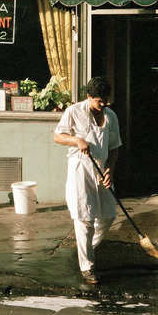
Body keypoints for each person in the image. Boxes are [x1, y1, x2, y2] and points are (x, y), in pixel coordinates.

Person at [53, 76, 122, 285]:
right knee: (84, 219)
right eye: (99, 101)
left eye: (106, 101)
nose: (103, 105)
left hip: (101, 170)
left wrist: (110, 170)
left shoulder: (110, 116)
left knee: (109, 214)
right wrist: (76, 139)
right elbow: (57, 136)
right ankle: (87, 267)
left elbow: (114, 147)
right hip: (80, 169)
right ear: (89, 97)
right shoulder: (73, 111)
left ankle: (86, 247)